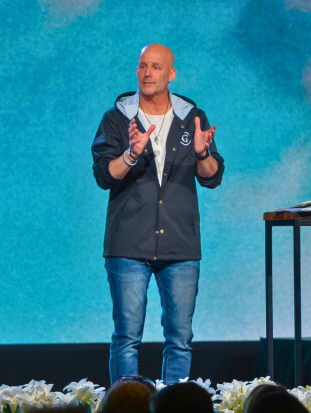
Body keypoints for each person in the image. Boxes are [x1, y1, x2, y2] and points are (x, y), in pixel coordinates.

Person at [92, 43, 224, 385]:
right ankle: (126, 410)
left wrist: (202, 153)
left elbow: (212, 177)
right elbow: (104, 175)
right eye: (142, 66)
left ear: (171, 74)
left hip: (180, 246)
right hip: (128, 243)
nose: (147, 73)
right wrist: (131, 154)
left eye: (155, 67)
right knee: (126, 337)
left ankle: (174, 411)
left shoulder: (192, 117)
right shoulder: (117, 118)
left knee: (180, 339)